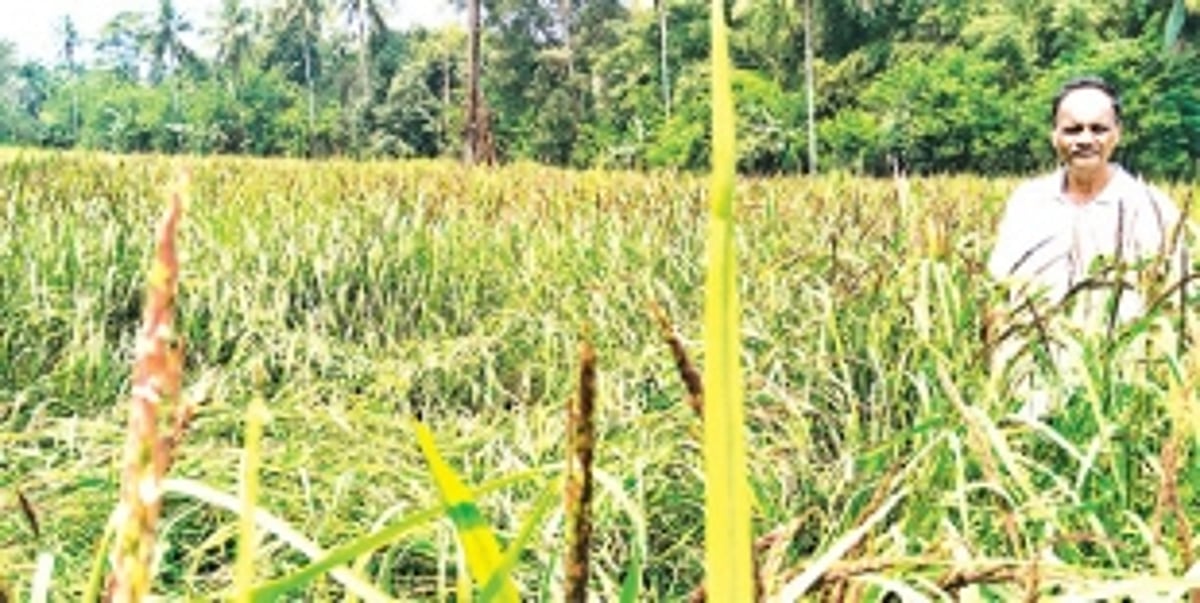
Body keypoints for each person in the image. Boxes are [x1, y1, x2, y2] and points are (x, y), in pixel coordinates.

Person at [985, 76, 1188, 420]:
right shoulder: (1027, 202)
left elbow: (1178, 307)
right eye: (1072, 129)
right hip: (1030, 397)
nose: (1085, 140)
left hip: (1120, 399)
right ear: (1054, 135)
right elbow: (999, 293)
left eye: (1098, 129)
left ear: (1117, 134)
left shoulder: (1152, 208)